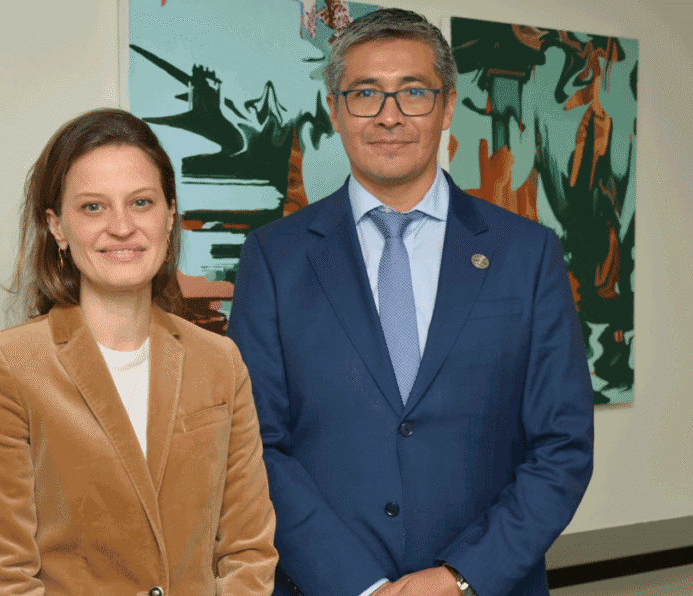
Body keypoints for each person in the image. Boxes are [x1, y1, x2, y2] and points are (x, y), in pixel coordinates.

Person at [227, 9, 593, 596]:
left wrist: (461, 577)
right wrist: (360, 586)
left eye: (414, 92)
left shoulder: (527, 254)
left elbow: (563, 447)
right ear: (334, 110)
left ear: (447, 108)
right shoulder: (274, 258)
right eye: (365, 93)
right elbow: (254, 446)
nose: (389, 115)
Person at [0, 108, 277, 596]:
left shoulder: (220, 362)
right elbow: (0, 575)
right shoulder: (5, 367)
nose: (122, 227)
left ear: (170, 215)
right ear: (57, 227)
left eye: (141, 202)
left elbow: (248, 551)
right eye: (93, 207)